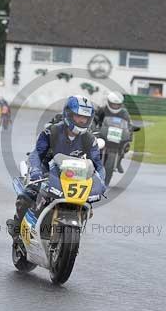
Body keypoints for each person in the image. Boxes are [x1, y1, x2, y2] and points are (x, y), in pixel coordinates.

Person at [6, 95, 106, 243]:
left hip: (73, 174)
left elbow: (97, 164)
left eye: (85, 117)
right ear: (69, 114)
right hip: (47, 170)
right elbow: (36, 155)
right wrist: (35, 171)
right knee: (30, 192)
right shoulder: (51, 132)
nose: (82, 121)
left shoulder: (89, 139)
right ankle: (17, 227)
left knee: (87, 202)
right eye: (79, 116)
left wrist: (101, 180)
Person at [93, 91, 137, 173]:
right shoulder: (102, 110)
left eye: (117, 105)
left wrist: (130, 128)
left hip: (118, 135)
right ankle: (93, 160)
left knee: (125, 144)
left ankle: (118, 161)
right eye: (113, 104)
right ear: (109, 102)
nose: (115, 106)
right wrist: (95, 127)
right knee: (95, 143)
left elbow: (129, 123)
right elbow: (95, 119)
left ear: (120, 104)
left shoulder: (124, 113)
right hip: (104, 134)